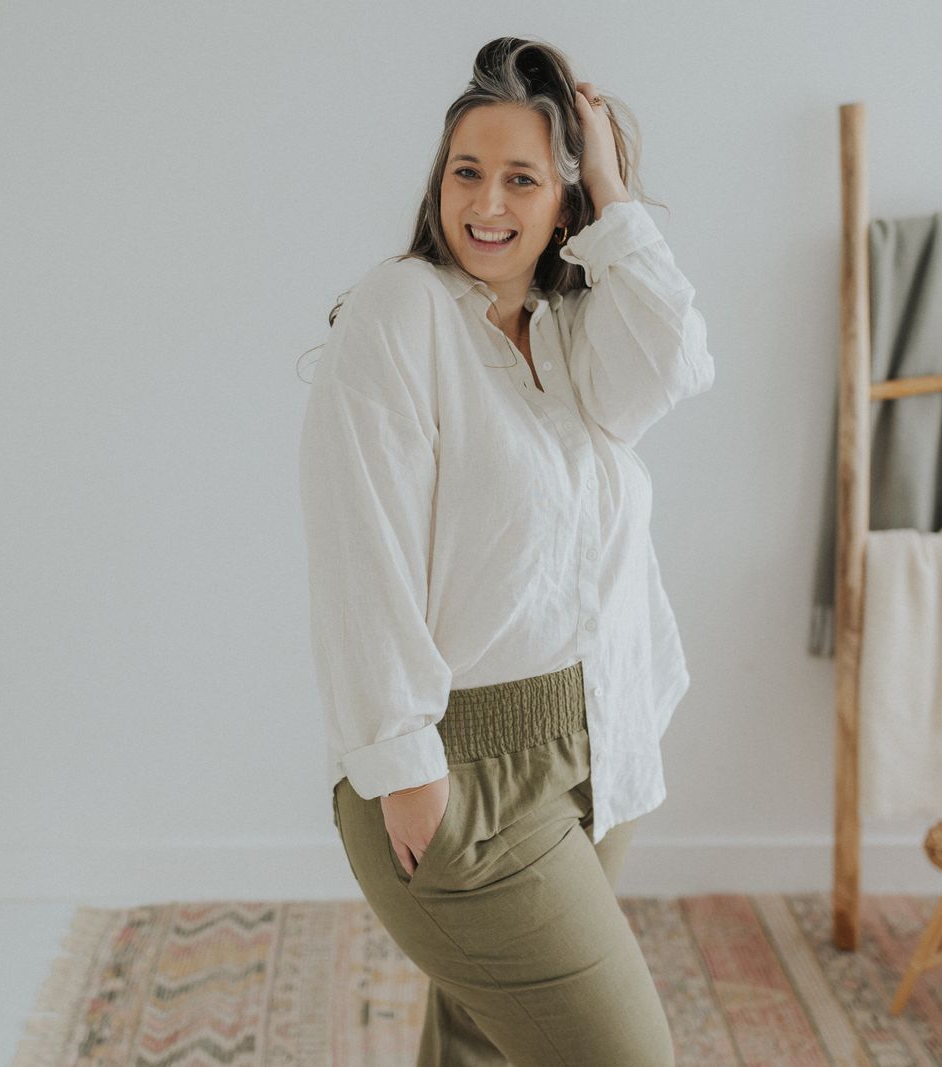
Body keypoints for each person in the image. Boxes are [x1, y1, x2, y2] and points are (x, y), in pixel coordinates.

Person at [298, 35, 714, 1067]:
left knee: (483, 1047)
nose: (486, 201)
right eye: (466, 171)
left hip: (598, 748)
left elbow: (679, 359)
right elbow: (361, 554)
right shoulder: (400, 316)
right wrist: (404, 762)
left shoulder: (576, 331)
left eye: (522, 177)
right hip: (462, 773)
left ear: (562, 204)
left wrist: (613, 183)